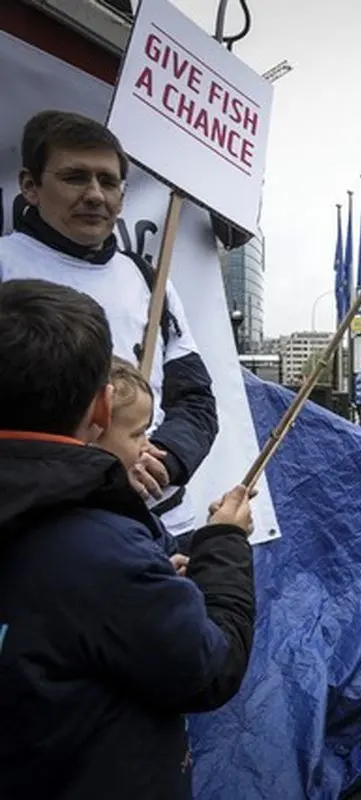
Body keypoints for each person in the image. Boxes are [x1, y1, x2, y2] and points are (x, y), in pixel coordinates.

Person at [0, 279, 256, 800]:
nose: (148, 447)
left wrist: (159, 583)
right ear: (100, 411)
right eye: (140, 434)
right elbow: (208, 666)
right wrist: (224, 544)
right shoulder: (100, 552)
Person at [0, 110, 219, 540]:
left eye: (108, 181)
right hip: (45, 529)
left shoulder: (150, 280)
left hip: (163, 524)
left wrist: (167, 459)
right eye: (75, 177)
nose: (95, 195)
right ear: (30, 185)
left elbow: (196, 401)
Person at [93, 356, 190, 576]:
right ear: (93, 429)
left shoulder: (127, 508)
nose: (148, 447)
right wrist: (223, 537)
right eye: (138, 434)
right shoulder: (111, 528)